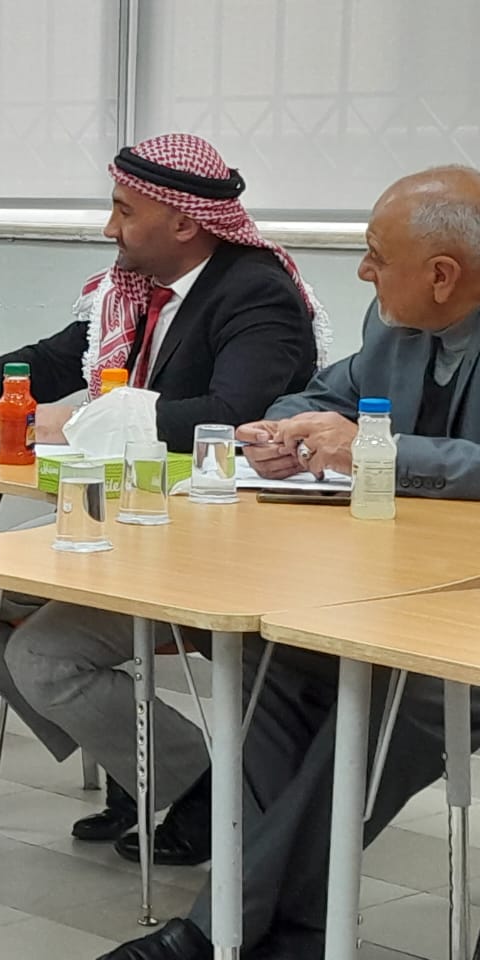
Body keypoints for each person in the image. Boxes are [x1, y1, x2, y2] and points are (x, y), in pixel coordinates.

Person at [0, 132, 327, 865]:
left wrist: (90, 420)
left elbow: (234, 414)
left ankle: (211, 788)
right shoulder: (129, 290)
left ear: (185, 221)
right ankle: (137, 763)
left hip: (211, 537)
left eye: (124, 211)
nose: (110, 228)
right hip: (128, 518)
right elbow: (46, 361)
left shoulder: (256, 293)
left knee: (44, 655)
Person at [103, 165, 480, 960]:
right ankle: (277, 932)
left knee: (390, 698)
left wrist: (375, 447)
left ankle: (220, 933)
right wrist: (285, 434)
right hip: (395, 587)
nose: (363, 271)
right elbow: (319, 395)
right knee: (274, 660)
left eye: (377, 255)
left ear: (443, 276)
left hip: (462, 624)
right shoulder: (396, 325)